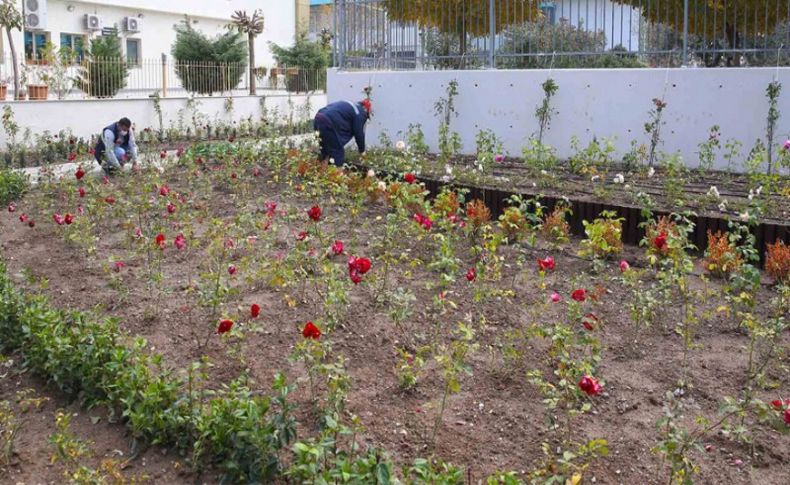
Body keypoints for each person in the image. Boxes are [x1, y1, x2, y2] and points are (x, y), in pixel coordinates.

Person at [313, 99, 371, 167]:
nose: (365, 117)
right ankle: (338, 176)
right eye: (367, 115)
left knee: (325, 152)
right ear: (365, 109)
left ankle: (321, 175)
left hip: (318, 118)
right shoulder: (360, 112)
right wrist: (362, 151)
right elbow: (359, 134)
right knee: (338, 154)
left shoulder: (352, 106)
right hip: (327, 122)